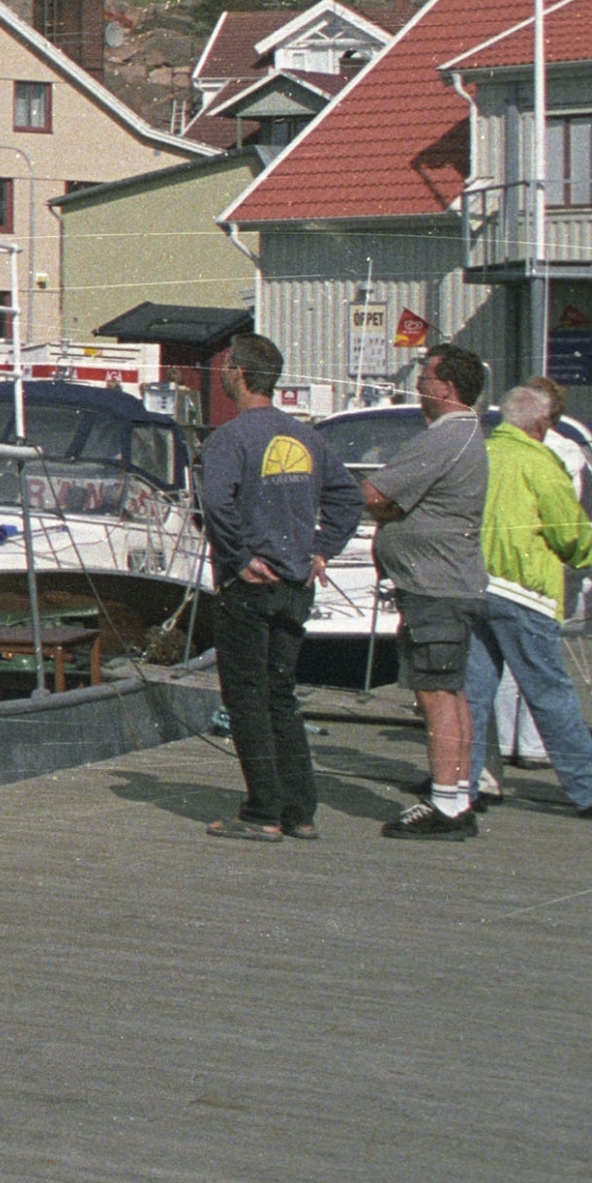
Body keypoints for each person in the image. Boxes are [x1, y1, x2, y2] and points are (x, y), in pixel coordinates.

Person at [189, 333, 359, 839]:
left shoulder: (230, 438)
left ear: (239, 373)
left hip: (251, 585)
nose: (222, 372)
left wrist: (239, 557)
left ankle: (264, 812)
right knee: (280, 694)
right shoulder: (306, 436)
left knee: (245, 696)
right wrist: (320, 549)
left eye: (226, 365)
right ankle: (299, 811)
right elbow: (348, 499)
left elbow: (214, 505)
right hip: (294, 584)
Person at [456, 382, 592, 817]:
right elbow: (571, 532)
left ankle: (464, 783)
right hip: (523, 590)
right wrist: (584, 556)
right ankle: (589, 789)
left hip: (474, 585)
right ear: (542, 423)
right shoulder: (540, 462)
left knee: (473, 694)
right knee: (550, 692)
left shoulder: (480, 452)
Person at [367, 346, 497, 839]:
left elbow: (379, 494)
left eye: (425, 376)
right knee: (451, 690)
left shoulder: (446, 437)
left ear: (446, 387)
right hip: (450, 582)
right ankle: (457, 794)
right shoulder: (464, 435)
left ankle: (445, 804)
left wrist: (383, 513)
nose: (418, 383)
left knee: (436, 694)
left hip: (434, 585)